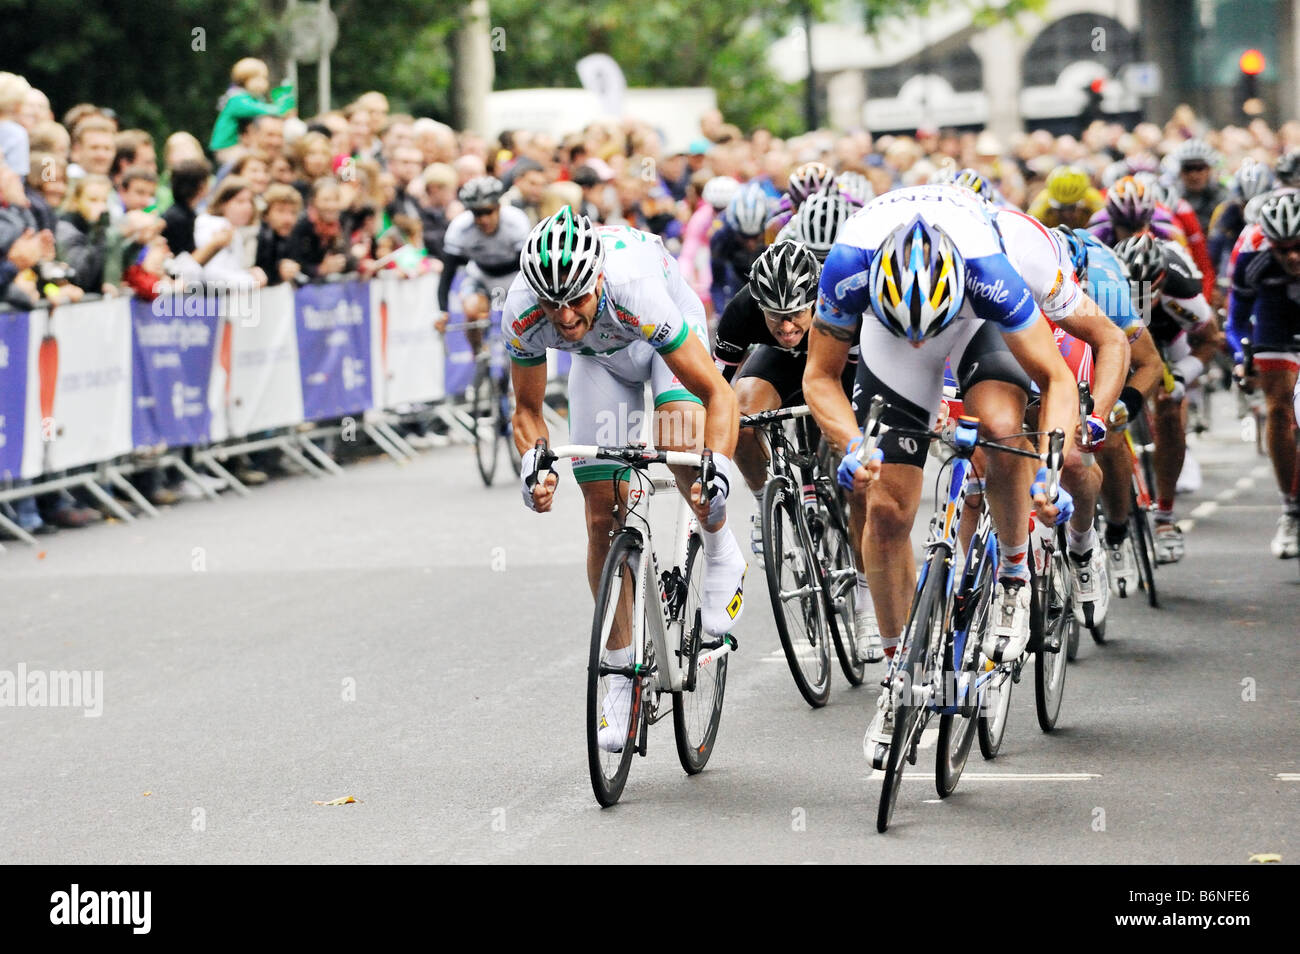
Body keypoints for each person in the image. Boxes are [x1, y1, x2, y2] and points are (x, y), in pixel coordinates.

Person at [804, 185, 1081, 769]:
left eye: (923, 327)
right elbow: (819, 377)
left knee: (1002, 431)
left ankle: (1011, 573)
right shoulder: (848, 265)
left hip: (975, 322)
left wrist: (1051, 472)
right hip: (889, 334)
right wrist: (852, 445)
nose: (919, 337)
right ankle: (898, 675)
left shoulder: (991, 269)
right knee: (885, 509)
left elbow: (1057, 379)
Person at [507, 207, 745, 752]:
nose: (564, 318)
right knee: (599, 514)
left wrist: (719, 469)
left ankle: (720, 547)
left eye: (577, 301)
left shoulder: (634, 289)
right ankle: (617, 675)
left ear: (597, 280)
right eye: (553, 306)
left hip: (660, 343)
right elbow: (527, 410)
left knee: (684, 444)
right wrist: (534, 466)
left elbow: (718, 395)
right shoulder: (523, 310)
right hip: (599, 362)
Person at [1054, 226, 1166, 595]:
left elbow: (1151, 364)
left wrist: (1121, 407)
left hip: (1106, 319)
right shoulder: (1030, 281)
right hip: (1055, 330)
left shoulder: (1107, 290)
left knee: (1110, 434)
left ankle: (1117, 532)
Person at [1114, 232, 1222, 563]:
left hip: (1169, 334)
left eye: (1149, 293)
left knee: (1169, 410)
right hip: (1118, 331)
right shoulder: (1101, 283)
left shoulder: (1183, 290)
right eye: (1134, 293)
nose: (1142, 300)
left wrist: (1181, 375)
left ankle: (1165, 516)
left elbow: (1210, 339)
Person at [1225, 191, 1300, 558]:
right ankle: (1290, 508)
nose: (1292, 257)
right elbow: (1236, 319)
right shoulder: (1252, 255)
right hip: (1275, 319)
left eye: (1298, 247)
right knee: (1280, 409)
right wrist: (1242, 354)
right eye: (1282, 249)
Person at [433, 176, 531, 351]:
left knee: (523, 320)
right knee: (471, 310)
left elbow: (529, 267)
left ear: (499, 206)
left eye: (489, 211)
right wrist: (442, 311)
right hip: (481, 276)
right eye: (477, 213)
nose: (483, 219)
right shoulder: (460, 228)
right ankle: (478, 353)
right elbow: (447, 274)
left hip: (514, 278)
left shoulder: (516, 222)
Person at [209, 58, 295, 159]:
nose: (262, 83)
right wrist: (279, 108)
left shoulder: (254, 98)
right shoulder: (236, 99)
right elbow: (258, 109)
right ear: (243, 80)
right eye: (257, 79)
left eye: (264, 79)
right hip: (227, 146)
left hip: (239, 144)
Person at [1028, 165, 1105, 230]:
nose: (1066, 215)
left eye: (1072, 208)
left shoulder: (1093, 200)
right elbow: (1029, 231)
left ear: (1083, 202)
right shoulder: (1041, 204)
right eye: (1061, 208)